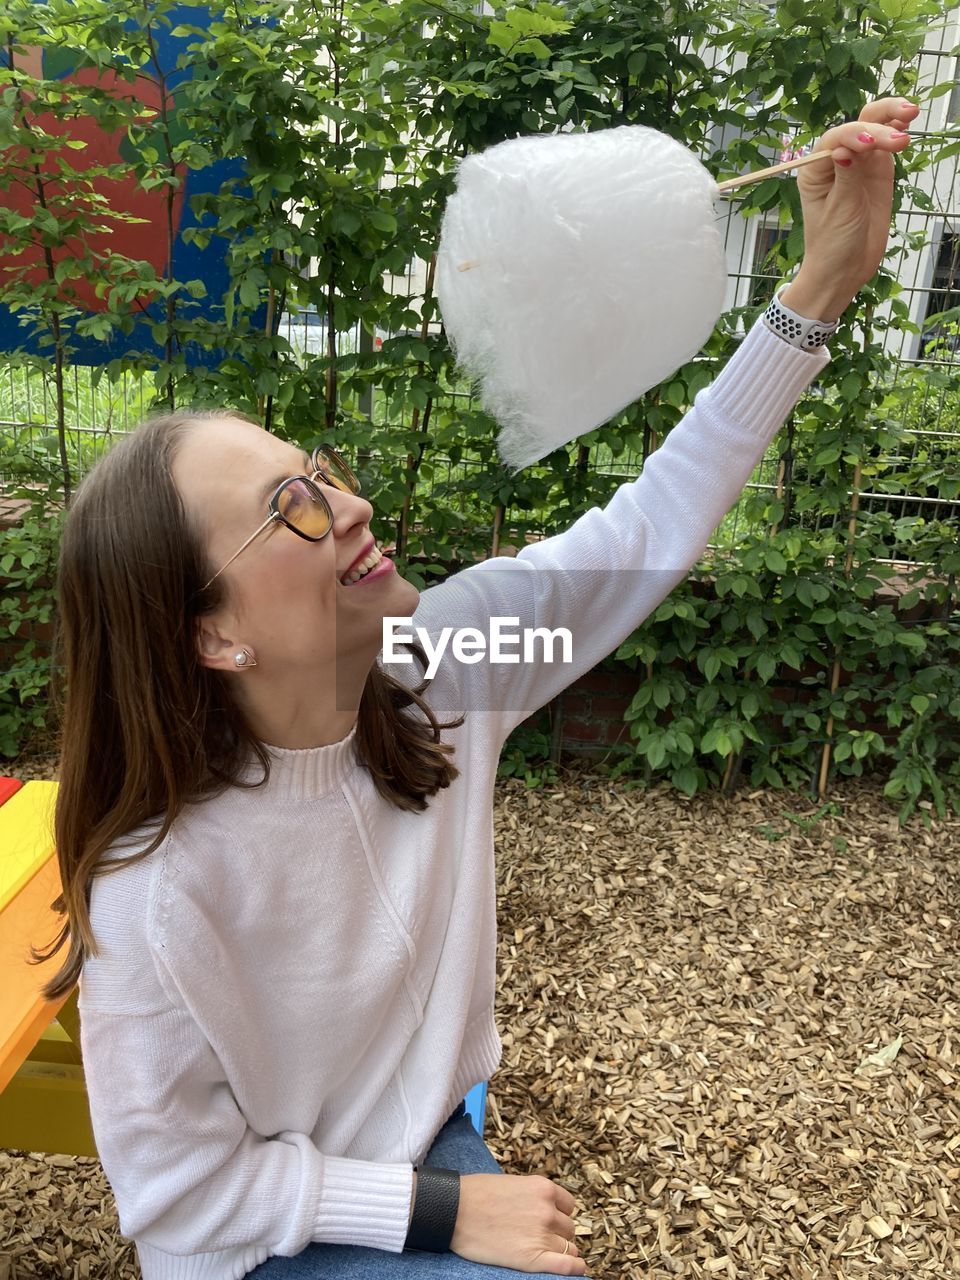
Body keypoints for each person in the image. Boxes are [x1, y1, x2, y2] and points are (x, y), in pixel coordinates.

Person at [40, 98, 916, 1280]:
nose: (346, 506)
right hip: (257, 1241)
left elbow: (656, 514)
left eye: (318, 473)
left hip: (425, 1138)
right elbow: (182, 1193)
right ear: (210, 638)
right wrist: (440, 1213)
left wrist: (818, 290)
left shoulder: (441, 669)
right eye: (288, 511)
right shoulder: (159, 886)